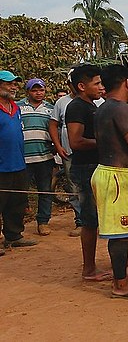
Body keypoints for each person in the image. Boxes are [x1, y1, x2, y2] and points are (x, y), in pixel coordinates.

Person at [93, 64, 128, 299]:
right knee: (119, 233)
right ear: (126, 83)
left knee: (118, 231)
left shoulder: (104, 108)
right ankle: (120, 284)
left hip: (110, 174)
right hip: (116, 177)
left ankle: (121, 277)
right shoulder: (119, 109)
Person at [66, 64, 109, 279]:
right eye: (97, 83)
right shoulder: (77, 107)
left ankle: (115, 256)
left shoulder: (92, 105)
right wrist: (105, 143)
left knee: (105, 215)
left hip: (95, 166)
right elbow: (75, 141)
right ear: (82, 86)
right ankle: (89, 269)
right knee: (90, 220)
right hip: (86, 169)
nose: (101, 87)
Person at [0, 70, 37, 253]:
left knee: (17, 203)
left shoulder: (15, 108)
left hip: (18, 163)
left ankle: (13, 236)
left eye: (15, 83)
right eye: (9, 83)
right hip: (1, 166)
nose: (14, 87)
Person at [17, 78, 56, 236]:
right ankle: (17, 224)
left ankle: (43, 222)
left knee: (45, 191)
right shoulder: (18, 107)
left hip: (45, 157)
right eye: (34, 90)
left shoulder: (50, 109)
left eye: (41, 90)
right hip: (22, 158)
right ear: (28, 92)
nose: (38, 93)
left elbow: (55, 130)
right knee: (20, 193)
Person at [49, 70, 82, 236]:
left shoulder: (97, 101)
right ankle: (81, 221)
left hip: (92, 153)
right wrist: (58, 145)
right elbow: (53, 124)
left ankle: (97, 220)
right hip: (68, 152)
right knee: (73, 187)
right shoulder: (62, 102)